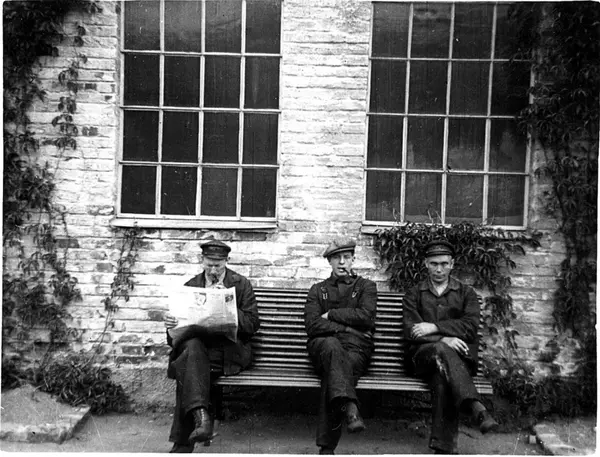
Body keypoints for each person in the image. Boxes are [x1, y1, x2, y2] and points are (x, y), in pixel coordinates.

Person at [403, 239, 499, 455]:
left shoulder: (466, 293)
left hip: (457, 362)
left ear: (452, 264)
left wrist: (434, 327)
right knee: (440, 350)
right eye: (434, 264)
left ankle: (443, 449)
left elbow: (470, 327)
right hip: (421, 359)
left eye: (444, 264)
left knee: (442, 377)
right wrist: (444, 339)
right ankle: (476, 407)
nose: (439, 269)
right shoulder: (414, 293)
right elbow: (411, 331)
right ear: (426, 264)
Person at [164, 240, 260, 453]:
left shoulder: (240, 284)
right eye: (209, 265)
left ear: (227, 261)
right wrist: (171, 325)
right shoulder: (191, 286)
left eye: (218, 265)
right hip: (199, 350)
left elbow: (252, 325)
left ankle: (185, 442)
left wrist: (228, 305)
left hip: (228, 352)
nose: (214, 270)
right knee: (192, 351)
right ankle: (201, 420)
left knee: (189, 364)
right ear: (202, 260)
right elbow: (174, 340)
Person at [304, 238, 377, 455]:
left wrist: (332, 314)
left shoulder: (366, 287)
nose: (342, 262)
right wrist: (347, 328)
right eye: (337, 258)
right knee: (332, 346)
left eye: (346, 257)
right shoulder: (318, 290)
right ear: (330, 261)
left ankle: (327, 448)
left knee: (334, 372)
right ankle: (351, 409)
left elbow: (366, 317)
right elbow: (312, 324)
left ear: (353, 259)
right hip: (323, 347)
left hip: (356, 349)